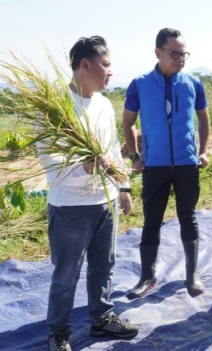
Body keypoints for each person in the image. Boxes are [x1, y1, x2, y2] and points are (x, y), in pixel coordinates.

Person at [42, 36, 138, 351]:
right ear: (86, 64)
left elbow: (112, 151)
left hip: (104, 202)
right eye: (106, 65)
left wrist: (122, 186)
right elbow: (48, 159)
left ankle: (101, 318)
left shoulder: (104, 104)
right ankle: (59, 331)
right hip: (70, 207)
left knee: (104, 266)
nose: (110, 72)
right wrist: (84, 166)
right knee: (66, 273)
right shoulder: (55, 106)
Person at [123, 28, 210, 300]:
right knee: (152, 220)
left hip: (186, 163)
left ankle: (192, 274)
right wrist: (136, 156)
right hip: (155, 165)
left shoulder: (193, 83)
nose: (180, 58)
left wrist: (203, 151)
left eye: (183, 54)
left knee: (189, 217)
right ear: (158, 52)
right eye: (174, 53)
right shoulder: (140, 84)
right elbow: (128, 122)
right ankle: (147, 276)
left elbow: (204, 120)